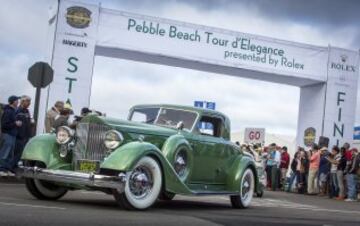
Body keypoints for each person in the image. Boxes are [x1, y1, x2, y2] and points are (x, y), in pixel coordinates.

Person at [0, 96, 22, 176]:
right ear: (13, 102)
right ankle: (1, 169)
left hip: (12, 134)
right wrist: (15, 123)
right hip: (8, 134)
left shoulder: (13, 111)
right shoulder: (8, 111)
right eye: (17, 100)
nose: (18, 102)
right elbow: (4, 125)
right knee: (5, 152)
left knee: (10, 154)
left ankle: (7, 169)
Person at [12, 95, 33, 171]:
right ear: (23, 101)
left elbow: (28, 122)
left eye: (30, 101)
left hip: (26, 136)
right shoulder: (18, 110)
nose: (29, 103)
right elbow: (14, 122)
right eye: (28, 101)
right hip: (19, 136)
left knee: (22, 153)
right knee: (17, 153)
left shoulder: (27, 111)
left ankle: (16, 167)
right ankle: (12, 168)